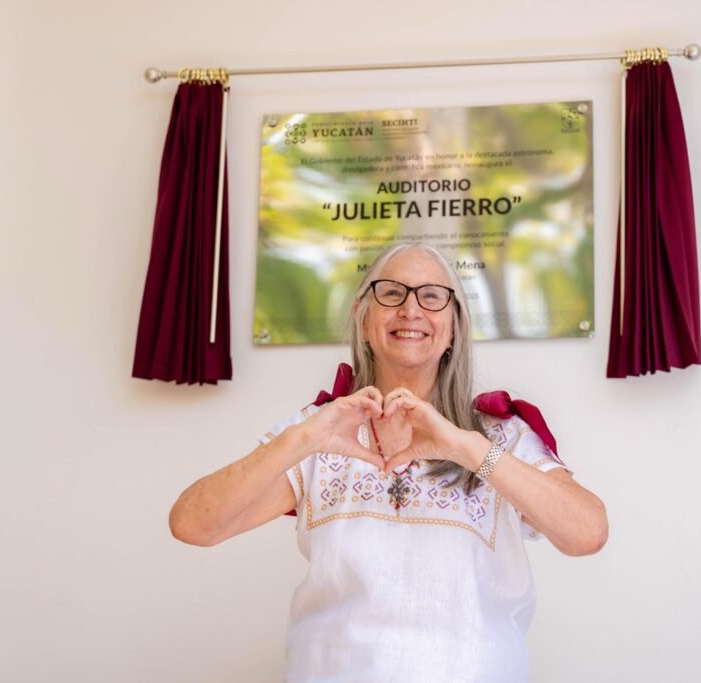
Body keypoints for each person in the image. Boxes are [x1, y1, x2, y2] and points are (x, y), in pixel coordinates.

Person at [169, 242, 608, 683]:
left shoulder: (498, 436)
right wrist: (301, 439)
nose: (410, 310)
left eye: (431, 296)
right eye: (392, 293)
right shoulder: (322, 429)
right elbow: (192, 524)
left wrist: (471, 450)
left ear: (454, 328)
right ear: (363, 319)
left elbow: (587, 533)